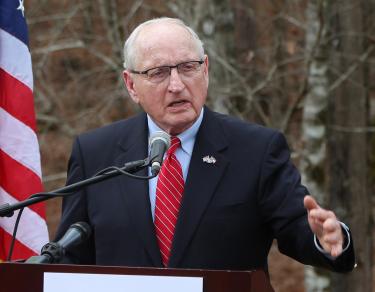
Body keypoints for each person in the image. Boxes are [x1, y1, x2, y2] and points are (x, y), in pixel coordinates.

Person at [55, 17, 355, 273]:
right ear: (131, 85)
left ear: (206, 70)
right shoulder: (95, 153)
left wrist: (327, 239)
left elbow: (296, 226)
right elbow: (71, 255)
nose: (176, 84)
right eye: (158, 72)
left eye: (188, 67)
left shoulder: (256, 149)